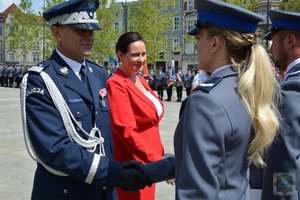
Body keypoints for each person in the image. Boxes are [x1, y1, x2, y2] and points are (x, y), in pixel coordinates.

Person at [19, 1, 149, 199]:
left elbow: (108, 132)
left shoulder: (97, 74)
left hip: (103, 190)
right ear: (57, 33)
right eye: (81, 30)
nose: (89, 36)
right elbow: (55, 149)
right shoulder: (41, 79)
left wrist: (122, 163)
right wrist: (114, 172)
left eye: (92, 30)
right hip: (66, 192)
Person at [173, 0, 281, 199]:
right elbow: (219, 159)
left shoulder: (205, 102)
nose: (196, 47)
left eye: (199, 38)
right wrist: (148, 172)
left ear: (214, 43)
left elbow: (197, 192)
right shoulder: (248, 89)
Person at [107, 32, 165, 200]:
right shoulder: (116, 83)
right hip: (134, 164)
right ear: (120, 55)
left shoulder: (141, 80)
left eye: (143, 54)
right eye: (135, 55)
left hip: (149, 163)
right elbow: (126, 131)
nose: (141, 59)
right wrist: (159, 162)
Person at [258, 10, 300, 200]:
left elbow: (285, 163)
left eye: (273, 42)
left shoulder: (289, 90)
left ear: (290, 41)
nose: (271, 49)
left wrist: (282, 197)